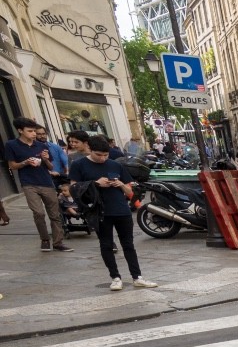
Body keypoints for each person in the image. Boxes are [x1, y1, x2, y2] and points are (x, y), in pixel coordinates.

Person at [71, 135, 158, 291]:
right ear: (90, 149)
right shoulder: (79, 165)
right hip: (100, 210)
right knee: (106, 244)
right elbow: (74, 188)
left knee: (128, 244)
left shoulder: (115, 165)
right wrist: (95, 184)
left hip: (121, 209)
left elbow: (129, 190)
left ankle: (137, 277)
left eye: (106, 155)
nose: (103, 158)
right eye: (99, 155)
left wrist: (120, 185)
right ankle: (115, 277)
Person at [5, 117, 71, 252]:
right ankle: (45, 239)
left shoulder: (42, 145)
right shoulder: (12, 145)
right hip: (29, 183)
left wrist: (46, 159)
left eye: (34, 131)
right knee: (38, 213)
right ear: (20, 131)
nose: (34, 134)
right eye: (30, 131)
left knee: (55, 214)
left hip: (46, 181)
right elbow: (12, 166)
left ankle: (58, 242)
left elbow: (50, 166)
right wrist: (25, 162)